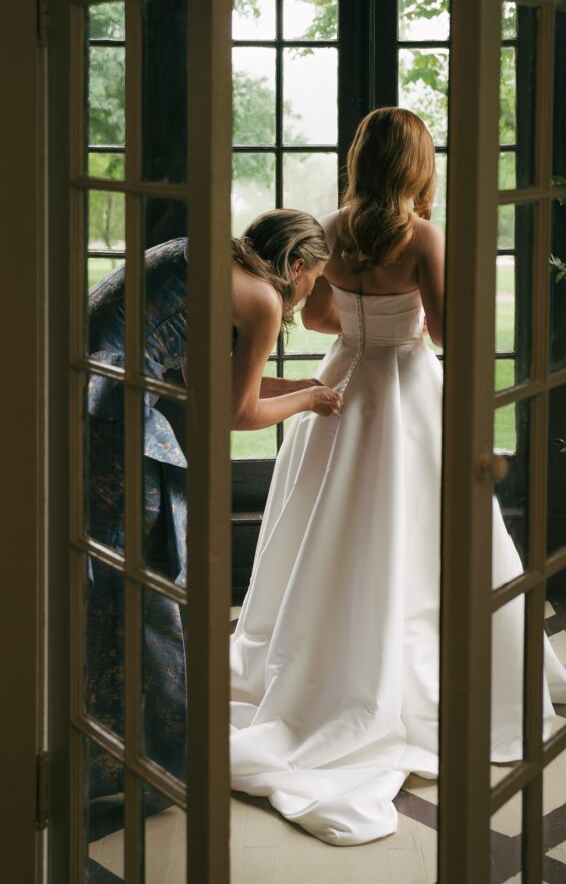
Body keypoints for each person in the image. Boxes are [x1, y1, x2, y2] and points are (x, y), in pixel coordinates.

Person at [229, 108, 566, 845]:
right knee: (424, 529)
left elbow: (317, 318)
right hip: (407, 389)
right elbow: (446, 333)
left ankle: (318, 657)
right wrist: (409, 319)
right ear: (418, 165)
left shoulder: (332, 226)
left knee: (328, 524)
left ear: (361, 159)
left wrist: (360, 322)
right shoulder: (421, 237)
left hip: (343, 381)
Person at [86, 210, 341, 797]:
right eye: (315, 280)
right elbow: (235, 414)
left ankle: (112, 743)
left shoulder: (207, 255)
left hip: (85, 393)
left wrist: (309, 391)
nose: (311, 293)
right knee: (148, 579)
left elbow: (220, 386)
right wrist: (308, 402)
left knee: (114, 577)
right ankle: (160, 759)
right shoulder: (264, 301)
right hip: (109, 417)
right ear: (295, 265)